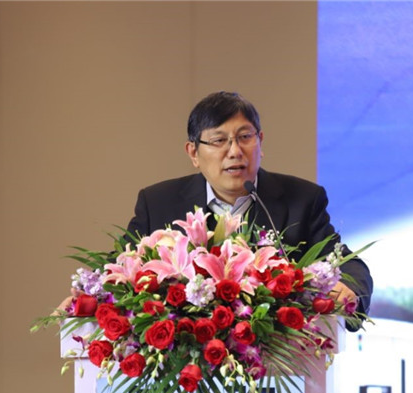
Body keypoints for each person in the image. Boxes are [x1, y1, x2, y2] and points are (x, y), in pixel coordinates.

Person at [60, 91, 373, 328]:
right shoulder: (159, 203)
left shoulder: (302, 199)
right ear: (194, 153)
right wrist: (87, 300)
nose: (235, 151)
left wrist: (349, 291)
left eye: (245, 137)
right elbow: (119, 268)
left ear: (261, 141)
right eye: (219, 140)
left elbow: (349, 265)